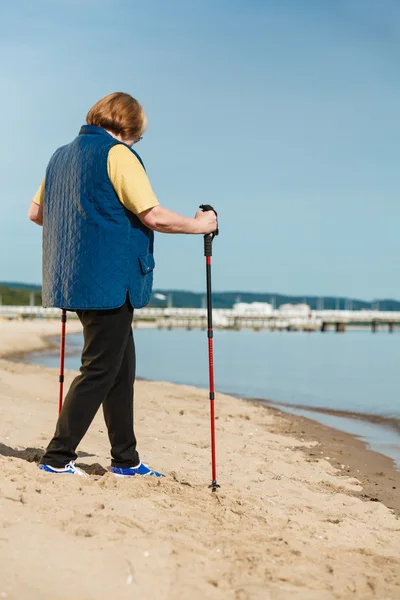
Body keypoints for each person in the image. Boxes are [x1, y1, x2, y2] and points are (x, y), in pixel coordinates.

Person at [28, 92, 217, 478]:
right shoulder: (117, 155)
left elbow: (37, 214)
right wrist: (201, 225)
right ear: (127, 128)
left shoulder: (60, 156)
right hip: (110, 280)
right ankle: (57, 457)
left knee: (119, 368)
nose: (135, 144)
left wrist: (83, 228)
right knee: (100, 369)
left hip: (76, 277)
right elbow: (154, 215)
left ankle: (125, 460)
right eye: (137, 137)